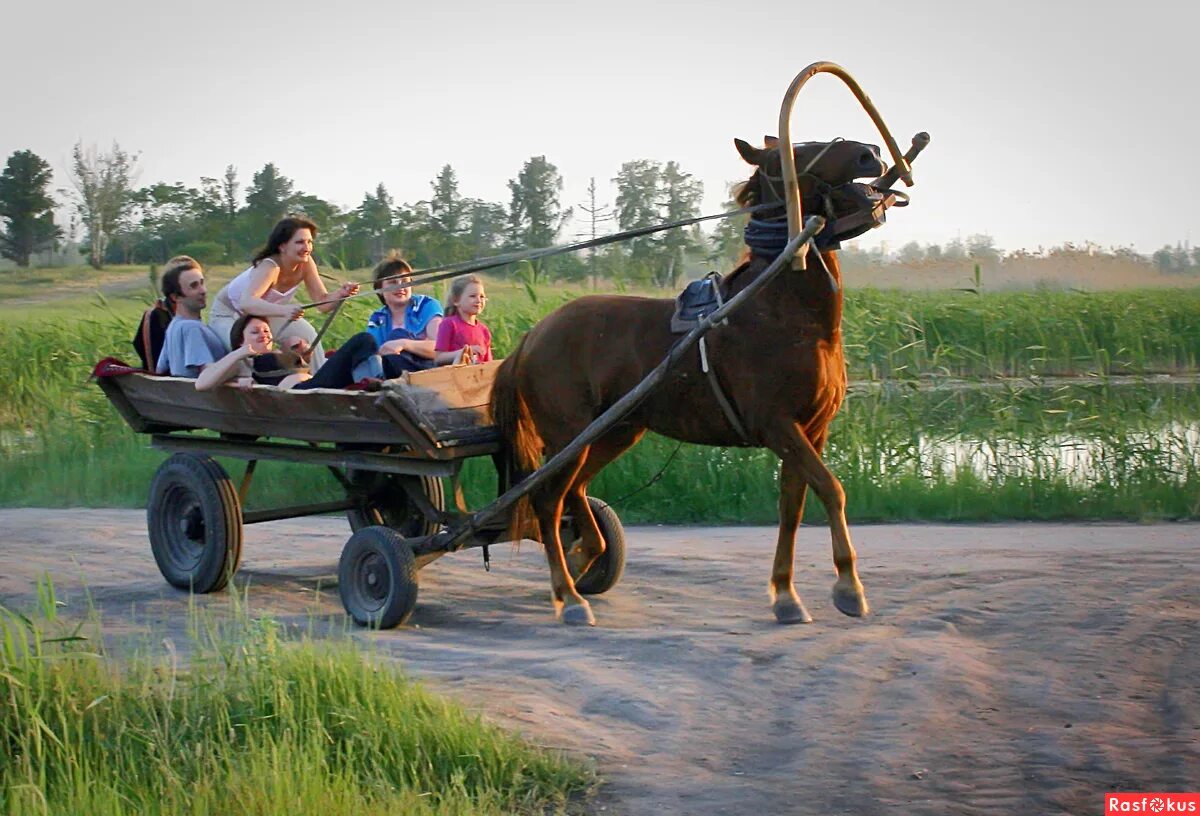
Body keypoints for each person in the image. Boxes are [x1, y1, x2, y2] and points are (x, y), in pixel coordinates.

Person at [208, 216, 359, 371]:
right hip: (229, 313)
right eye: (300, 242)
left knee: (307, 333)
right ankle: (250, 385)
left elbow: (322, 303)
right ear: (283, 246)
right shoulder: (270, 267)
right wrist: (285, 310)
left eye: (309, 242)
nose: (306, 247)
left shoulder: (306, 263)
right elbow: (246, 303)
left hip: (261, 314)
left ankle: (319, 381)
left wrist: (341, 293)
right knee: (245, 350)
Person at [195, 314, 383, 392]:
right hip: (300, 396)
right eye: (254, 332)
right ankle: (367, 385)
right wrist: (240, 353)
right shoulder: (244, 360)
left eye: (266, 331)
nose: (263, 334)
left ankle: (371, 383)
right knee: (363, 340)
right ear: (240, 340)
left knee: (385, 356)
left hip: (314, 386)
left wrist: (301, 356)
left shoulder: (277, 352)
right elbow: (202, 383)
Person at [365, 254, 444, 377]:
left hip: (426, 369)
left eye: (405, 281)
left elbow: (440, 348)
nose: (400, 286)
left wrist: (403, 343)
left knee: (398, 335)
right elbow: (375, 354)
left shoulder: (427, 305)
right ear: (379, 289)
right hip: (392, 367)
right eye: (393, 282)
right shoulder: (378, 318)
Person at [154, 256, 228, 378]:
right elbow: (208, 374)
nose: (203, 290)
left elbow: (160, 369)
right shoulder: (192, 328)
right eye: (194, 286)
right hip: (204, 396)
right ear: (175, 297)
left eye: (202, 283)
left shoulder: (173, 326)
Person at [435, 274, 492, 365]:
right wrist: (464, 352)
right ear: (456, 301)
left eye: (482, 296)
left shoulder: (484, 330)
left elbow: (488, 362)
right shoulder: (449, 324)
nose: (478, 300)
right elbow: (439, 358)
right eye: (473, 296)